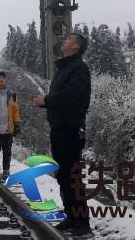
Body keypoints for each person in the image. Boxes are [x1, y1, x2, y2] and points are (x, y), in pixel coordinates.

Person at [33, 33, 92, 236]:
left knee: (72, 175)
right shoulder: (65, 68)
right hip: (59, 128)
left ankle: (82, 223)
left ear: (76, 46)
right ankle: (71, 217)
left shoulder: (79, 68)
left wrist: (46, 100)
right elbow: (62, 97)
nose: (64, 41)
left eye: (68, 39)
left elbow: (71, 95)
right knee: (63, 176)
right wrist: (46, 101)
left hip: (70, 130)